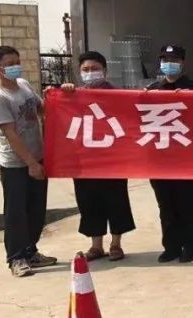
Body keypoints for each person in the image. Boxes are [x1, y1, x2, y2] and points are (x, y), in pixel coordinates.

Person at [56, 51, 136, 262]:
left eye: (95, 69)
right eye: (86, 69)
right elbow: (55, 111)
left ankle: (116, 244)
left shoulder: (117, 95)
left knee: (116, 200)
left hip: (113, 159)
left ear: (104, 71)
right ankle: (96, 246)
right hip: (84, 161)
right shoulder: (74, 95)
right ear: (79, 72)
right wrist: (61, 93)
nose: (90, 73)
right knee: (88, 202)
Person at [0, 45, 55, 277]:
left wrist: (56, 97)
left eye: (17, 62)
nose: (15, 67)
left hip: (38, 156)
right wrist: (31, 163)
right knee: (16, 212)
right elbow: (11, 134)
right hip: (16, 164)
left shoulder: (24, 85)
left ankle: (31, 251)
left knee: (36, 209)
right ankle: (16, 258)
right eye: (9, 64)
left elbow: (41, 109)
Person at [146, 44, 193, 264]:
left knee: (187, 202)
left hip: (187, 158)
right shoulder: (152, 90)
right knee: (166, 204)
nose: (168, 65)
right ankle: (170, 246)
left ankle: (190, 245)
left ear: (182, 63)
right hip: (160, 158)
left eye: (173, 61)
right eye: (165, 61)